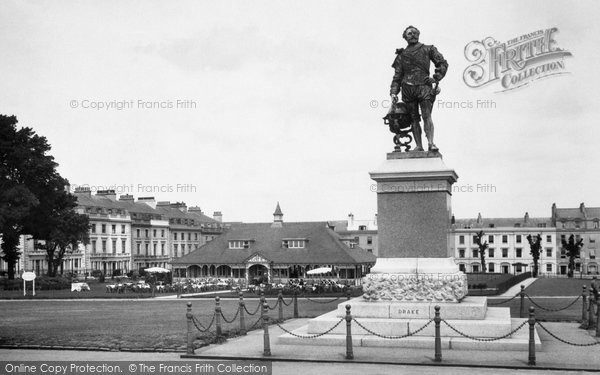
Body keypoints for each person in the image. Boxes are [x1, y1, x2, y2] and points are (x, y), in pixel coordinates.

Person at [390, 26, 448, 152]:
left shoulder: (428, 49)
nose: (412, 35)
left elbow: (442, 63)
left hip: (424, 86)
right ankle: (419, 146)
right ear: (405, 37)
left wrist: (436, 77)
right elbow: (397, 76)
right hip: (407, 89)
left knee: (427, 116)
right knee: (414, 119)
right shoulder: (401, 56)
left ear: (419, 34)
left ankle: (431, 143)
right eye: (409, 33)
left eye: (415, 33)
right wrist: (394, 92)